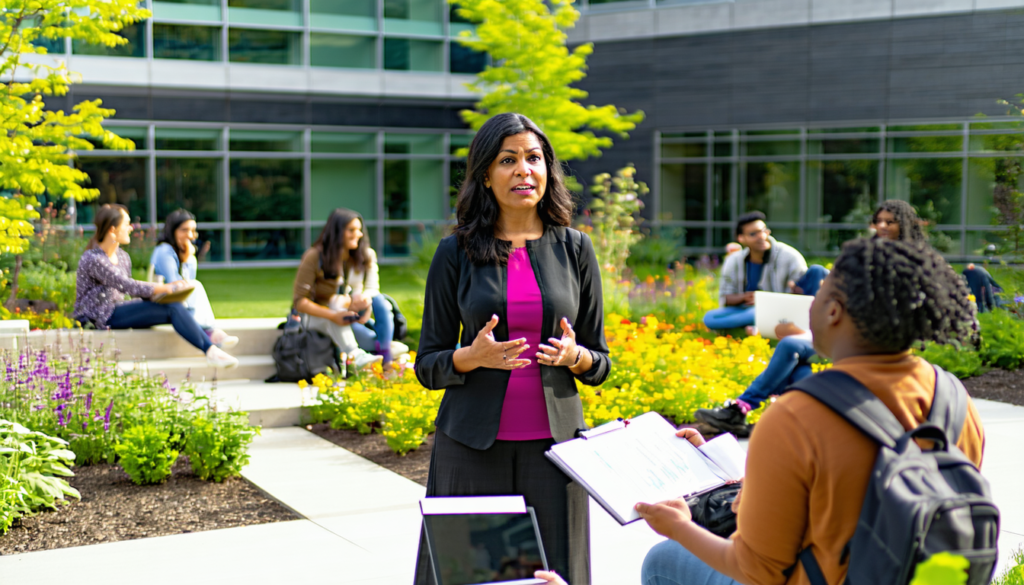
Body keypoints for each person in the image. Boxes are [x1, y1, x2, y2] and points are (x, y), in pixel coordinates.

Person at [631, 237, 984, 585]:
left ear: (834, 311)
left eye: (817, 294)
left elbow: (758, 570)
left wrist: (678, 527)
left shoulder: (797, 416)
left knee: (663, 559)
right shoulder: (954, 397)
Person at [413, 113, 611, 584]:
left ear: (548, 169)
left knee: (556, 574)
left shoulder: (577, 249)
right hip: (473, 448)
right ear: (485, 174)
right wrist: (470, 357)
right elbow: (427, 363)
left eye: (533, 158)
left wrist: (575, 357)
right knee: (476, 576)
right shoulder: (455, 252)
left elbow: (600, 361)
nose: (524, 169)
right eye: (508, 160)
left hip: (557, 450)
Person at [695, 200, 929, 436]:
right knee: (799, 368)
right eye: (878, 221)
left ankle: (742, 410)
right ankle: (789, 419)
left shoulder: (907, 264)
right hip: (838, 330)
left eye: (890, 222)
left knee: (790, 345)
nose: (882, 226)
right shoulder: (867, 255)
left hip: (865, 340)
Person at [73, 204, 239, 368]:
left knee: (175, 307)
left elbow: (130, 292)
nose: (131, 228)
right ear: (112, 229)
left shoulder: (122, 256)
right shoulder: (94, 259)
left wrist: (157, 297)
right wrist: (165, 288)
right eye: (126, 224)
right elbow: (126, 285)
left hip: (117, 311)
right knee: (173, 307)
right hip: (98, 317)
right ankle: (210, 348)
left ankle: (210, 344)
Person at [292, 209, 385, 371]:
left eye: (359, 230)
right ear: (336, 232)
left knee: (380, 303)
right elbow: (299, 301)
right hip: (315, 317)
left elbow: (365, 291)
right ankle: (355, 354)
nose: (359, 234)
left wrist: (358, 305)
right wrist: (333, 315)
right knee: (335, 304)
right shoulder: (314, 256)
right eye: (351, 230)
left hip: (343, 315)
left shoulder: (355, 258)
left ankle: (386, 349)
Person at [702, 211, 822, 332]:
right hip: (745, 310)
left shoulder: (790, 256)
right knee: (710, 318)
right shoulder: (733, 261)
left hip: (778, 311)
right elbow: (726, 298)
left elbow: (800, 298)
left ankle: (752, 326)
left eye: (764, 230)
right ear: (741, 238)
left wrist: (768, 300)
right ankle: (754, 326)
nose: (762, 236)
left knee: (757, 313)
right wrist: (745, 297)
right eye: (754, 234)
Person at [150, 209, 238, 349]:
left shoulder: (183, 251)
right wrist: (186, 261)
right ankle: (211, 332)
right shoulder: (164, 251)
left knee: (195, 286)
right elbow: (175, 284)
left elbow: (187, 287)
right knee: (195, 285)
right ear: (172, 231)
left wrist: (189, 259)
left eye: (193, 230)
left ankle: (210, 332)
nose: (190, 235)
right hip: (160, 302)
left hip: (178, 303)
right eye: (184, 230)